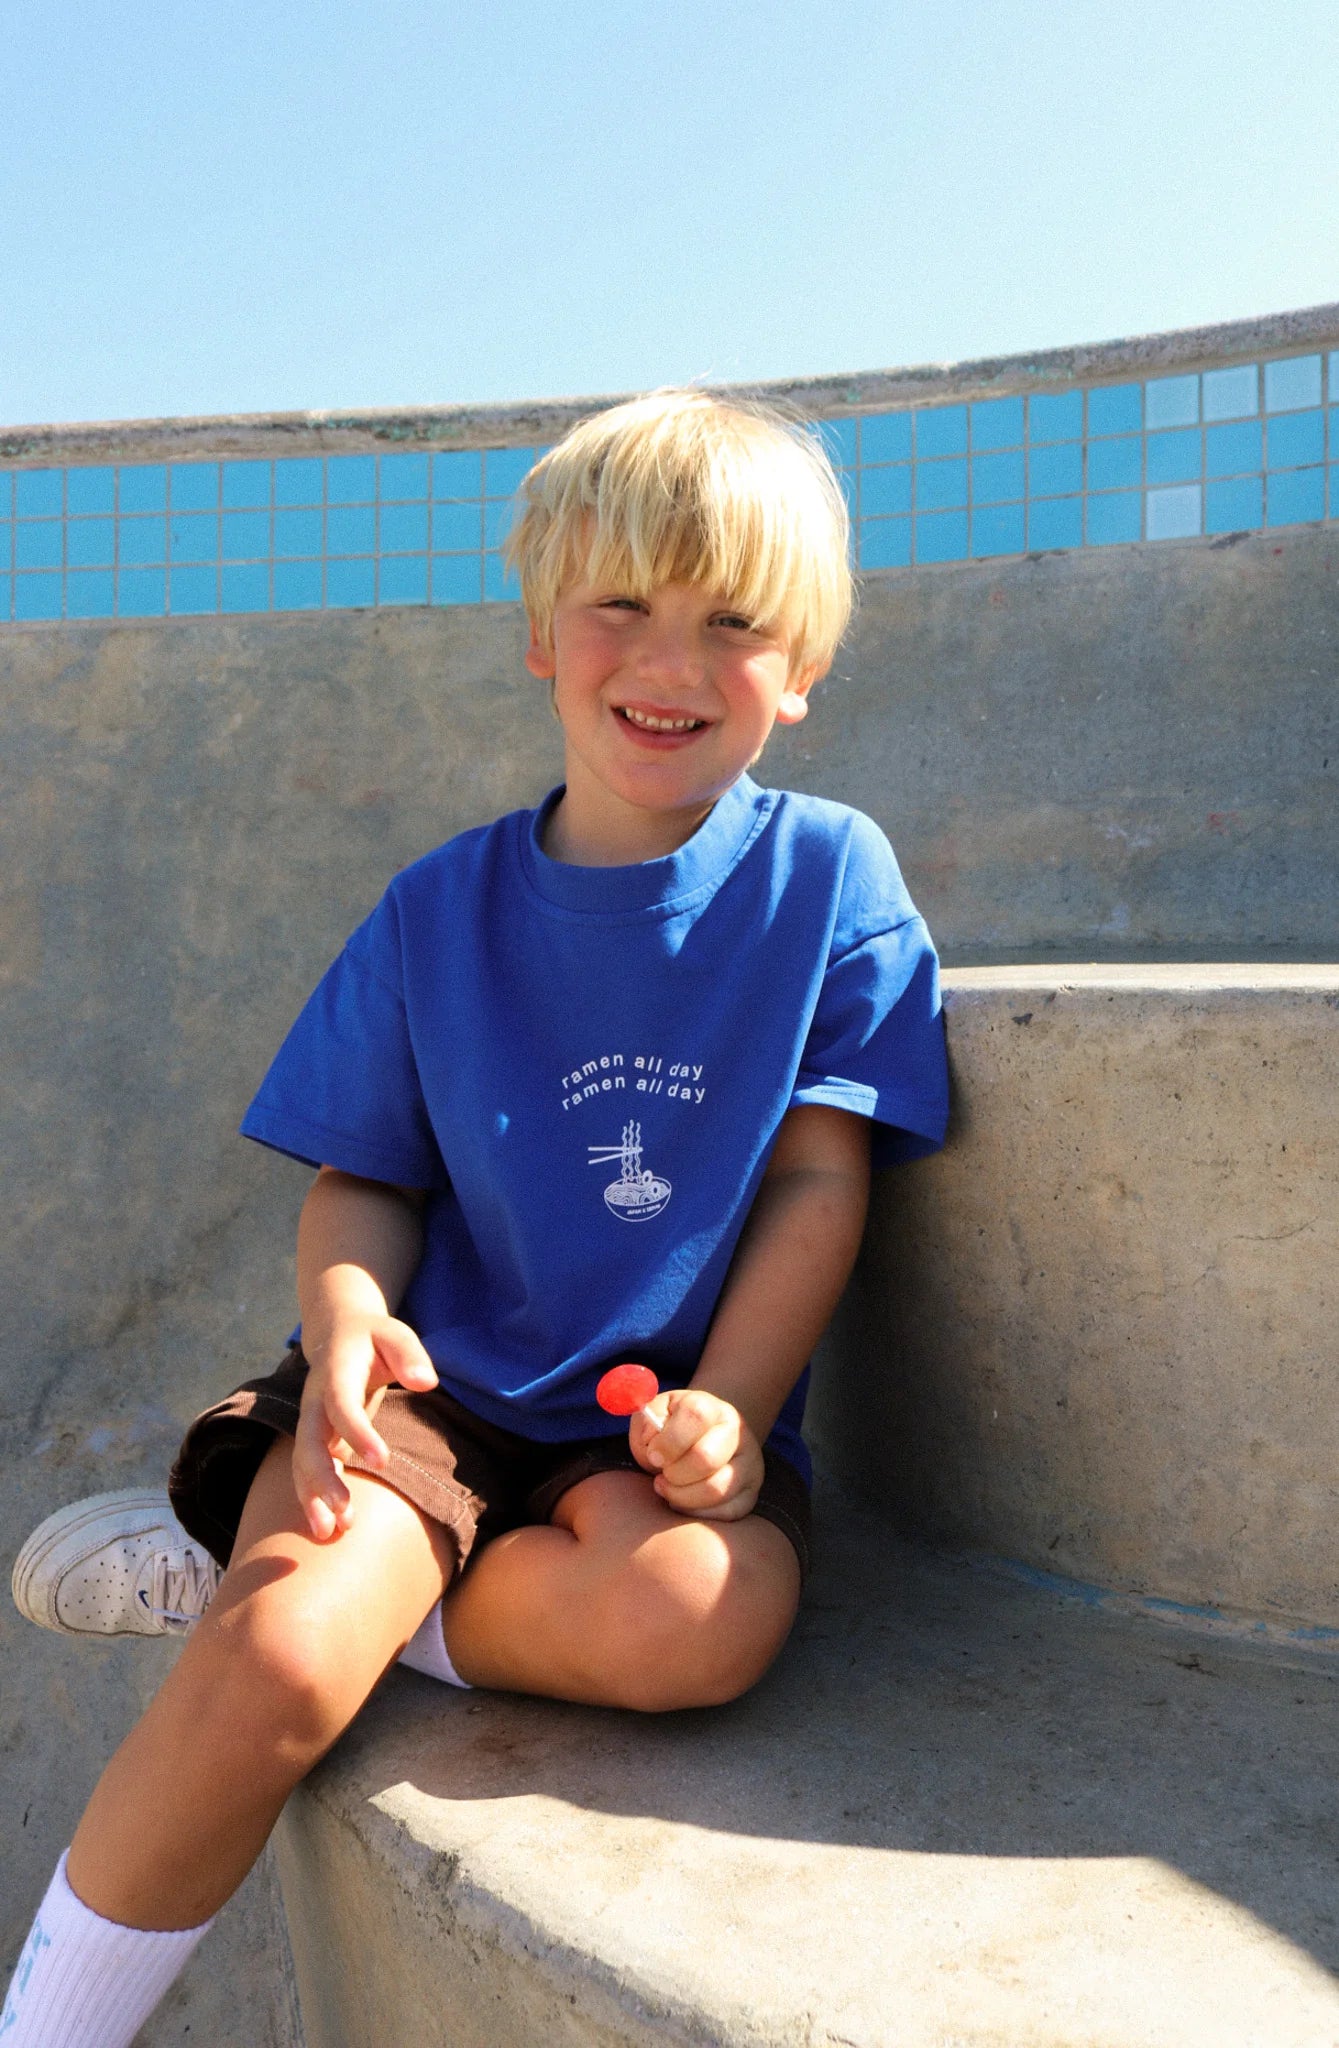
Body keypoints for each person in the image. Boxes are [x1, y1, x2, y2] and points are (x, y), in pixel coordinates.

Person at [3, 390, 947, 2045]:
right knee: (285, 1667)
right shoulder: (439, 910)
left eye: (732, 621)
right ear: (539, 638)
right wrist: (348, 1317)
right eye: (620, 607)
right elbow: (363, 1173)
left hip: (654, 1439)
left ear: (800, 673)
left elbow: (817, 1171)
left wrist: (735, 1401)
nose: (668, 658)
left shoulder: (832, 881)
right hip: (438, 1395)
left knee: (703, 1624)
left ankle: (267, 1555)